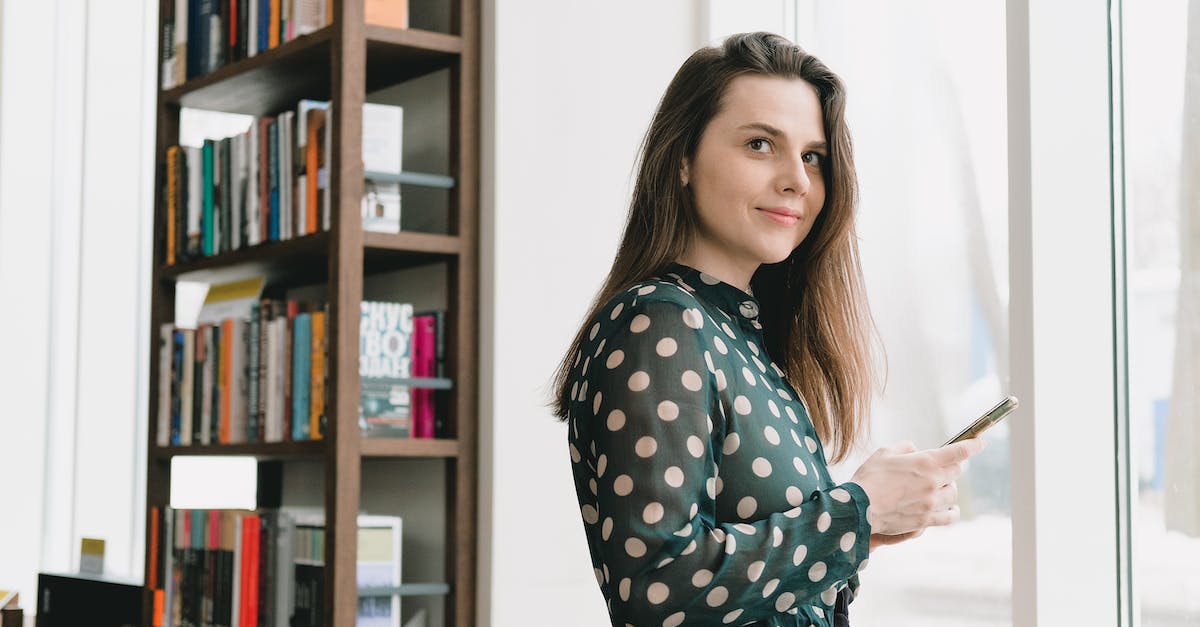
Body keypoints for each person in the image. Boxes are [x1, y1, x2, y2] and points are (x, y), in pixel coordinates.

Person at [551, 32, 985, 627]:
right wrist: (854, 514)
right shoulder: (660, 322)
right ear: (682, 158)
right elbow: (656, 587)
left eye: (812, 157)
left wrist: (859, 532)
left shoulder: (738, 335)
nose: (798, 181)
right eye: (761, 144)